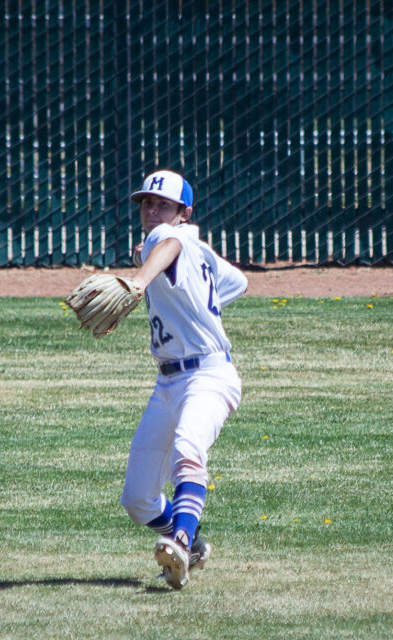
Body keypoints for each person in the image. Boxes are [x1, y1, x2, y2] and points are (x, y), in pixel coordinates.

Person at [118, 169, 248, 590]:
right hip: (168, 384)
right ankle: (192, 545)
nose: (151, 211)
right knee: (137, 498)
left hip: (209, 375)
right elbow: (239, 282)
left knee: (188, 450)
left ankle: (180, 540)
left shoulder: (168, 238)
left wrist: (140, 278)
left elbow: (169, 243)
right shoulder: (198, 248)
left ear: (184, 213)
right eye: (146, 203)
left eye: (163, 205)